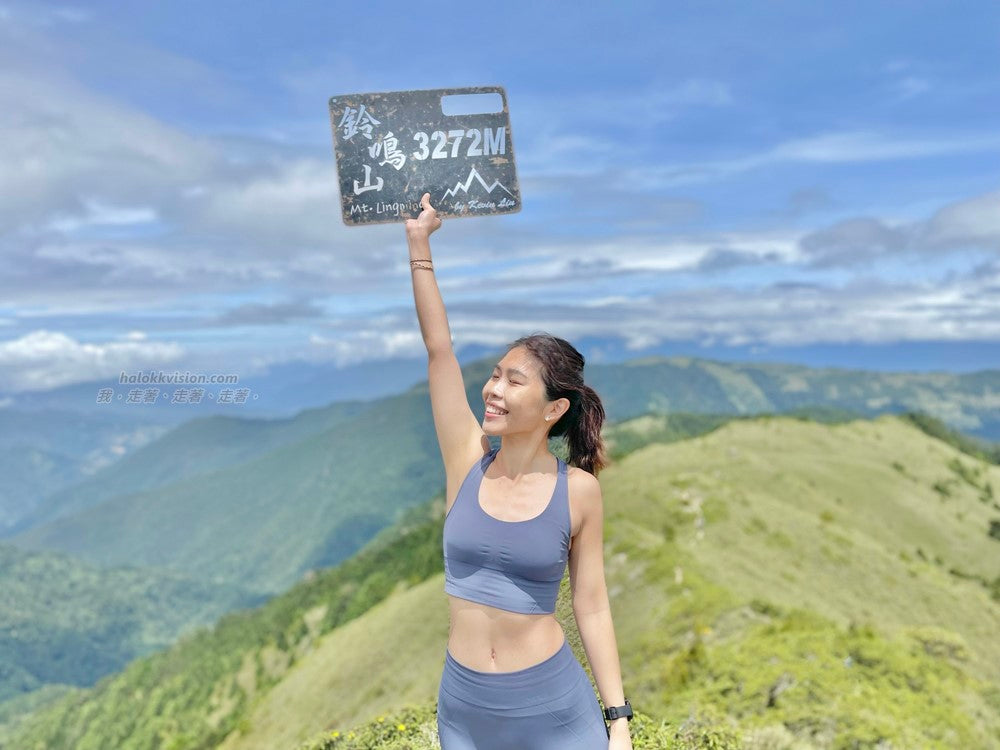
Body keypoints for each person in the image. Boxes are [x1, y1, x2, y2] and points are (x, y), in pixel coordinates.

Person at [405, 193, 634, 750]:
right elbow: (440, 352)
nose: (493, 389)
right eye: (494, 375)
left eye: (513, 381)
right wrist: (419, 246)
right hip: (464, 711)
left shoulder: (577, 492)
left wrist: (619, 718)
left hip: (553, 710)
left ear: (554, 408)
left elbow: (592, 603)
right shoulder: (466, 458)